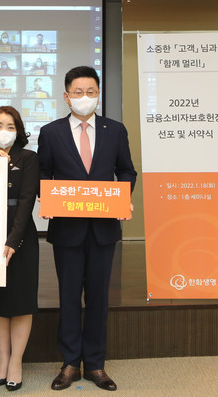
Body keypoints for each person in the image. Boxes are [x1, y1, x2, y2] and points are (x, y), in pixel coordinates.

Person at [37, 66, 136, 392]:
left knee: (97, 298)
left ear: (98, 94)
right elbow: (43, 175)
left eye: (90, 92)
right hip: (67, 230)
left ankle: (95, 364)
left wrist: (123, 198)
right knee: (68, 298)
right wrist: (47, 198)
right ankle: (70, 363)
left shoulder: (115, 130)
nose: (84, 97)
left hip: (103, 229)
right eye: (78, 92)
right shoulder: (51, 132)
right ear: (67, 96)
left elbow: (126, 171)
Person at [0, 106, 39, 392]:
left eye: (10, 126)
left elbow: (27, 201)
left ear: (18, 131)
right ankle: (3, 361)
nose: (3, 131)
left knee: (22, 302)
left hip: (21, 239)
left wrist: (12, 242)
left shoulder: (28, 158)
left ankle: (16, 362)